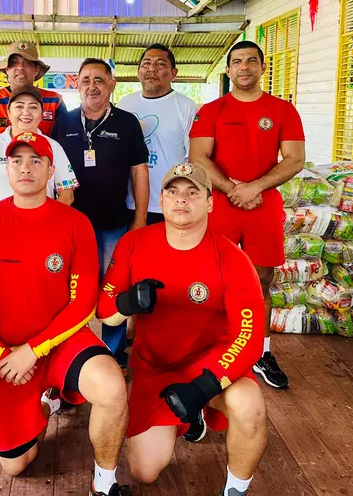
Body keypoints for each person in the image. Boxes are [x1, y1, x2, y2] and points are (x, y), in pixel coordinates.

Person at [0, 132, 131, 496]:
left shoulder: (74, 222)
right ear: (6, 168)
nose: (26, 168)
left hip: (62, 340)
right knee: (16, 466)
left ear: (51, 170)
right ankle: (45, 402)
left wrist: (32, 350)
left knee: (113, 386)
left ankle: (105, 483)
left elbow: (83, 302)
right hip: (4, 352)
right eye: (17, 160)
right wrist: (5, 355)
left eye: (36, 161)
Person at [97, 163, 267, 496]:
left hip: (212, 363)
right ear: (161, 199)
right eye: (173, 191)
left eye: (192, 192)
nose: (181, 200)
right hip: (155, 366)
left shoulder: (232, 258)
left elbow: (249, 337)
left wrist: (206, 385)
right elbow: (104, 311)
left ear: (209, 202)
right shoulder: (134, 244)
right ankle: (191, 419)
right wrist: (127, 303)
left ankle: (236, 490)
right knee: (144, 471)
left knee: (250, 404)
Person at [189, 41, 306, 390]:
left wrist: (254, 188)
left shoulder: (283, 110)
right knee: (213, 279)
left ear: (262, 67)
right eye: (237, 62)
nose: (244, 67)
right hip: (221, 205)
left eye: (251, 61)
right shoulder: (211, 109)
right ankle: (211, 348)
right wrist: (233, 189)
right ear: (228, 70)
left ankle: (260, 352)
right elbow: (198, 158)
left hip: (263, 207)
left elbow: (295, 159)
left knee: (261, 281)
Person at [53, 58, 149, 372]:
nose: (91, 86)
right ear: (76, 85)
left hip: (113, 224)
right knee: (70, 292)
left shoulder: (126, 122)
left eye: (98, 79)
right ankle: (72, 354)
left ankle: (113, 355)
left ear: (111, 84)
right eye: (85, 80)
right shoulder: (63, 121)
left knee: (114, 291)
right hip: (70, 226)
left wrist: (139, 220)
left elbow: (139, 172)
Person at [117, 44, 198, 226]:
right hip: (127, 203)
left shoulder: (186, 108)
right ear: (138, 72)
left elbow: (193, 160)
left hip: (167, 205)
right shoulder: (125, 104)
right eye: (146, 64)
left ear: (174, 73)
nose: (152, 69)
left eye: (160, 64)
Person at [0, 85, 78, 210]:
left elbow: (67, 195)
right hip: (0, 226)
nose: (26, 112)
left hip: (41, 226)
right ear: (8, 112)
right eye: (19, 106)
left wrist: (46, 223)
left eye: (33, 107)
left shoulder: (54, 147)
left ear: (41, 114)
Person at [0, 41, 68, 151]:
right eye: (14, 63)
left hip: (43, 164)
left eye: (27, 63)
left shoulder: (55, 101)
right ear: (7, 69)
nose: (20, 67)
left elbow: (64, 141)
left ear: (36, 69)